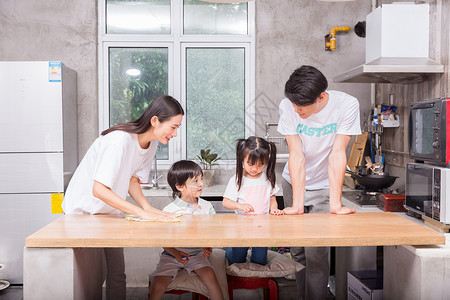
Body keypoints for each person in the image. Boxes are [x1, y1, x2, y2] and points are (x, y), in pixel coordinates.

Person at [62, 95, 184, 300]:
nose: (175, 133)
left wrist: (149, 210)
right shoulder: (119, 141)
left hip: (108, 214)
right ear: (155, 121)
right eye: (173, 127)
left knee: (117, 273)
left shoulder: (151, 144)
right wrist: (140, 213)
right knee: (86, 278)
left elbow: (132, 181)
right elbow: (99, 190)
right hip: (81, 215)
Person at [277, 65, 361, 299]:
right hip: (293, 181)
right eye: (293, 104)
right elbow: (296, 154)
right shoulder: (288, 106)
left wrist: (335, 204)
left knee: (316, 252)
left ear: (321, 97)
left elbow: (337, 154)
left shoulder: (346, 105)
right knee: (298, 251)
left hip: (325, 184)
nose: (296, 110)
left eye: (301, 106)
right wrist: (296, 205)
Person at [149, 160, 224, 300]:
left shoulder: (207, 207)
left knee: (210, 277)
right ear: (180, 186)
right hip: (171, 255)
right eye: (195, 181)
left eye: (201, 179)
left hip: (197, 255)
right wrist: (176, 253)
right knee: (158, 285)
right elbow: (163, 240)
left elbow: (211, 232)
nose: (201, 184)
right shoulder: (169, 211)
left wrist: (207, 246)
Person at [222, 136, 284, 266]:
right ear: (242, 160)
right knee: (237, 259)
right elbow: (226, 202)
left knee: (260, 260)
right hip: (241, 227)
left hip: (262, 227)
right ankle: (229, 249)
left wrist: (274, 209)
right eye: (250, 164)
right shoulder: (236, 180)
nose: (255, 169)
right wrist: (239, 205)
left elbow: (272, 197)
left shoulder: (267, 178)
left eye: (260, 165)